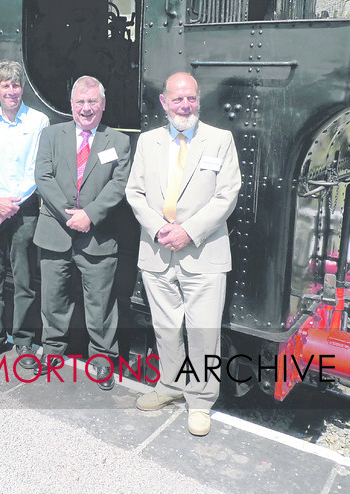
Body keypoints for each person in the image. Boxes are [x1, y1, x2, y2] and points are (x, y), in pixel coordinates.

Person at [125, 71, 241, 435]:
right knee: (166, 327)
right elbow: (135, 192)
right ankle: (171, 386)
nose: (185, 105)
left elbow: (227, 194)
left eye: (190, 98)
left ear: (198, 99)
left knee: (204, 332)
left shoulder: (219, 140)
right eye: (177, 99)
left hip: (202, 252)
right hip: (157, 251)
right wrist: (159, 229)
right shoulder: (148, 142)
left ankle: (201, 401)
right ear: (164, 103)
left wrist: (188, 231)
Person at [33, 76, 131, 390]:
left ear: (102, 104)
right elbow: (43, 177)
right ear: (71, 104)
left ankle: (102, 359)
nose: (85, 109)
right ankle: (52, 352)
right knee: (53, 299)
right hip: (56, 232)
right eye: (80, 102)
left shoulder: (118, 141)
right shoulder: (50, 135)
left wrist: (90, 215)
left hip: (98, 235)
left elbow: (119, 185)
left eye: (92, 102)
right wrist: (70, 215)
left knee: (100, 304)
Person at [0, 60, 49, 370]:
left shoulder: (38, 121)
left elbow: (38, 170)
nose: (12, 90)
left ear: (21, 88)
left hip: (24, 212)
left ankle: (25, 342)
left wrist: (9, 205)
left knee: (25, 281)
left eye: (16, 85)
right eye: (5, 85)